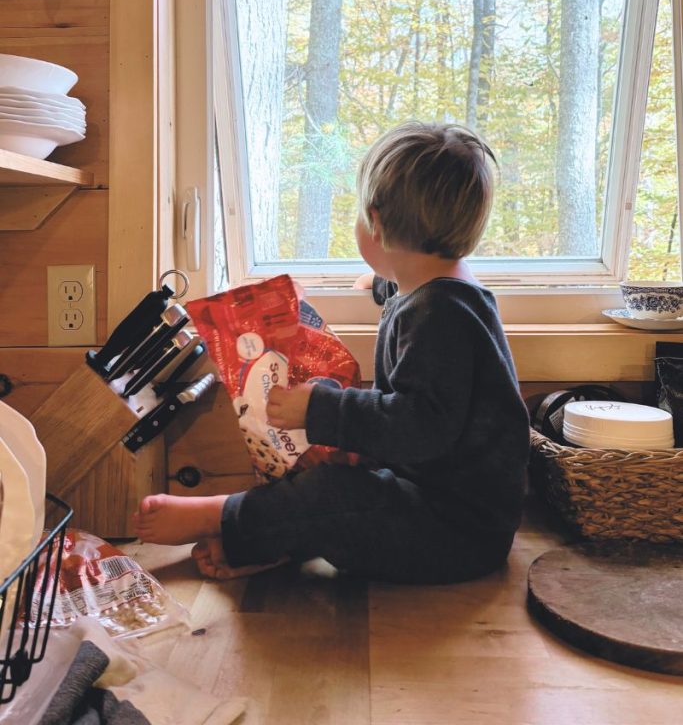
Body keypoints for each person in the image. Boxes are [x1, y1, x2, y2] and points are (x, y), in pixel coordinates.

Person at [133, 122, 530, 584]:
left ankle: (223, 517)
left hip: (456, 534)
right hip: (435, 498)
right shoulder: (436, 287)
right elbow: (413, 314)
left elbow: (421, 425)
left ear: (376, 224)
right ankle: (275, 541)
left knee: (333, 496)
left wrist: (320, 407)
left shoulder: (441, 315)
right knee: (333, 477)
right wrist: (383, 284)